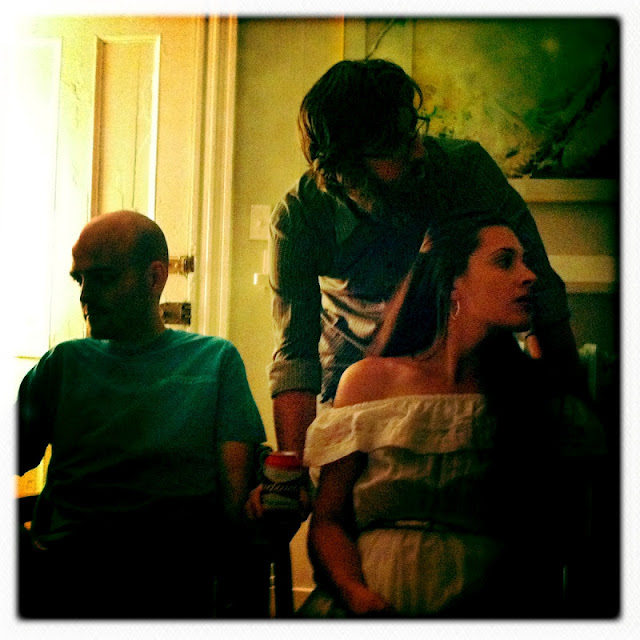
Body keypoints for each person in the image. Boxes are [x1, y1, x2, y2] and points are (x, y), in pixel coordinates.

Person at [268, 58, 581, 463]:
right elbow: (295, 356)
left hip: (471, 380)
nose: (418, 152)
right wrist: (291, 470)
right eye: (395, 145)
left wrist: (565, 422)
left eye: (413, 131)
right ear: (343, 167)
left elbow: (542, 298)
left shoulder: (465, 171)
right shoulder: (298, 219)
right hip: (352, 387)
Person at [302, 214, 606, 617]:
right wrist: (356, 594)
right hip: (366, 607)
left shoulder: (538, 399)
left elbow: (568, 541)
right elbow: (328, 521)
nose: (529, 275)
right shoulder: (367, 384)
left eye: (526, 261)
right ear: (453, 284)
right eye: (505, 261)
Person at [17, 210, 267, 619]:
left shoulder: (214, 362)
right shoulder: (63, 364)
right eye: (80, 280)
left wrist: (268, 502)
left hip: (171, 583)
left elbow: (235, 508)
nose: (85, 296)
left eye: (103, 278)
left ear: (155, 278)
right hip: (63, 577)